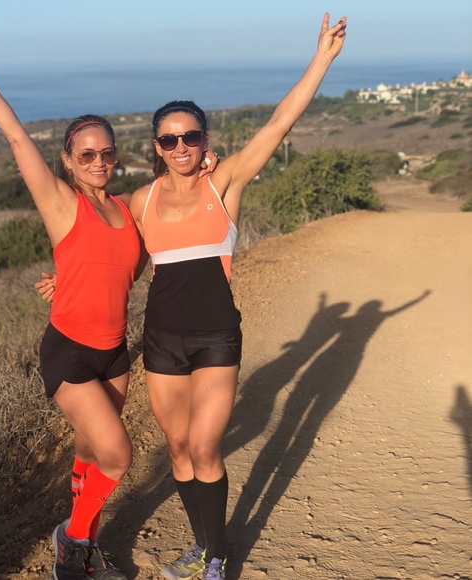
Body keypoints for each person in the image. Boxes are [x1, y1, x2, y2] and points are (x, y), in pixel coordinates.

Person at [126, 13, 348, 580]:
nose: (181, 146)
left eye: (190, 137)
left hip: (215, 337)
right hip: (161, 340)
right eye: (170, 139)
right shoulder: (140, 201)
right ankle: (202, 545)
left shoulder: (223, 183)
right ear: (157, 147)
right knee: (178, 450)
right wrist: (68, 280)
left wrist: (321, 59)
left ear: (205, 141)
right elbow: (122, 259)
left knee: (205, 447)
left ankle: (218, 555)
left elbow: (278, 123)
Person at [0, 25, 145, 580]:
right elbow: (15, 137)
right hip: (69, 350)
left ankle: (86, 541)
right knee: (118, 455)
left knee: (89, 451)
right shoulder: (61, 203)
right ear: (68, 160)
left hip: (114, 351)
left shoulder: (128, 209)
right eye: (87, 154)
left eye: (106, 152)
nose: (98, 161)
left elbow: (132, 260)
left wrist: (73, 276)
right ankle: (72, 542)